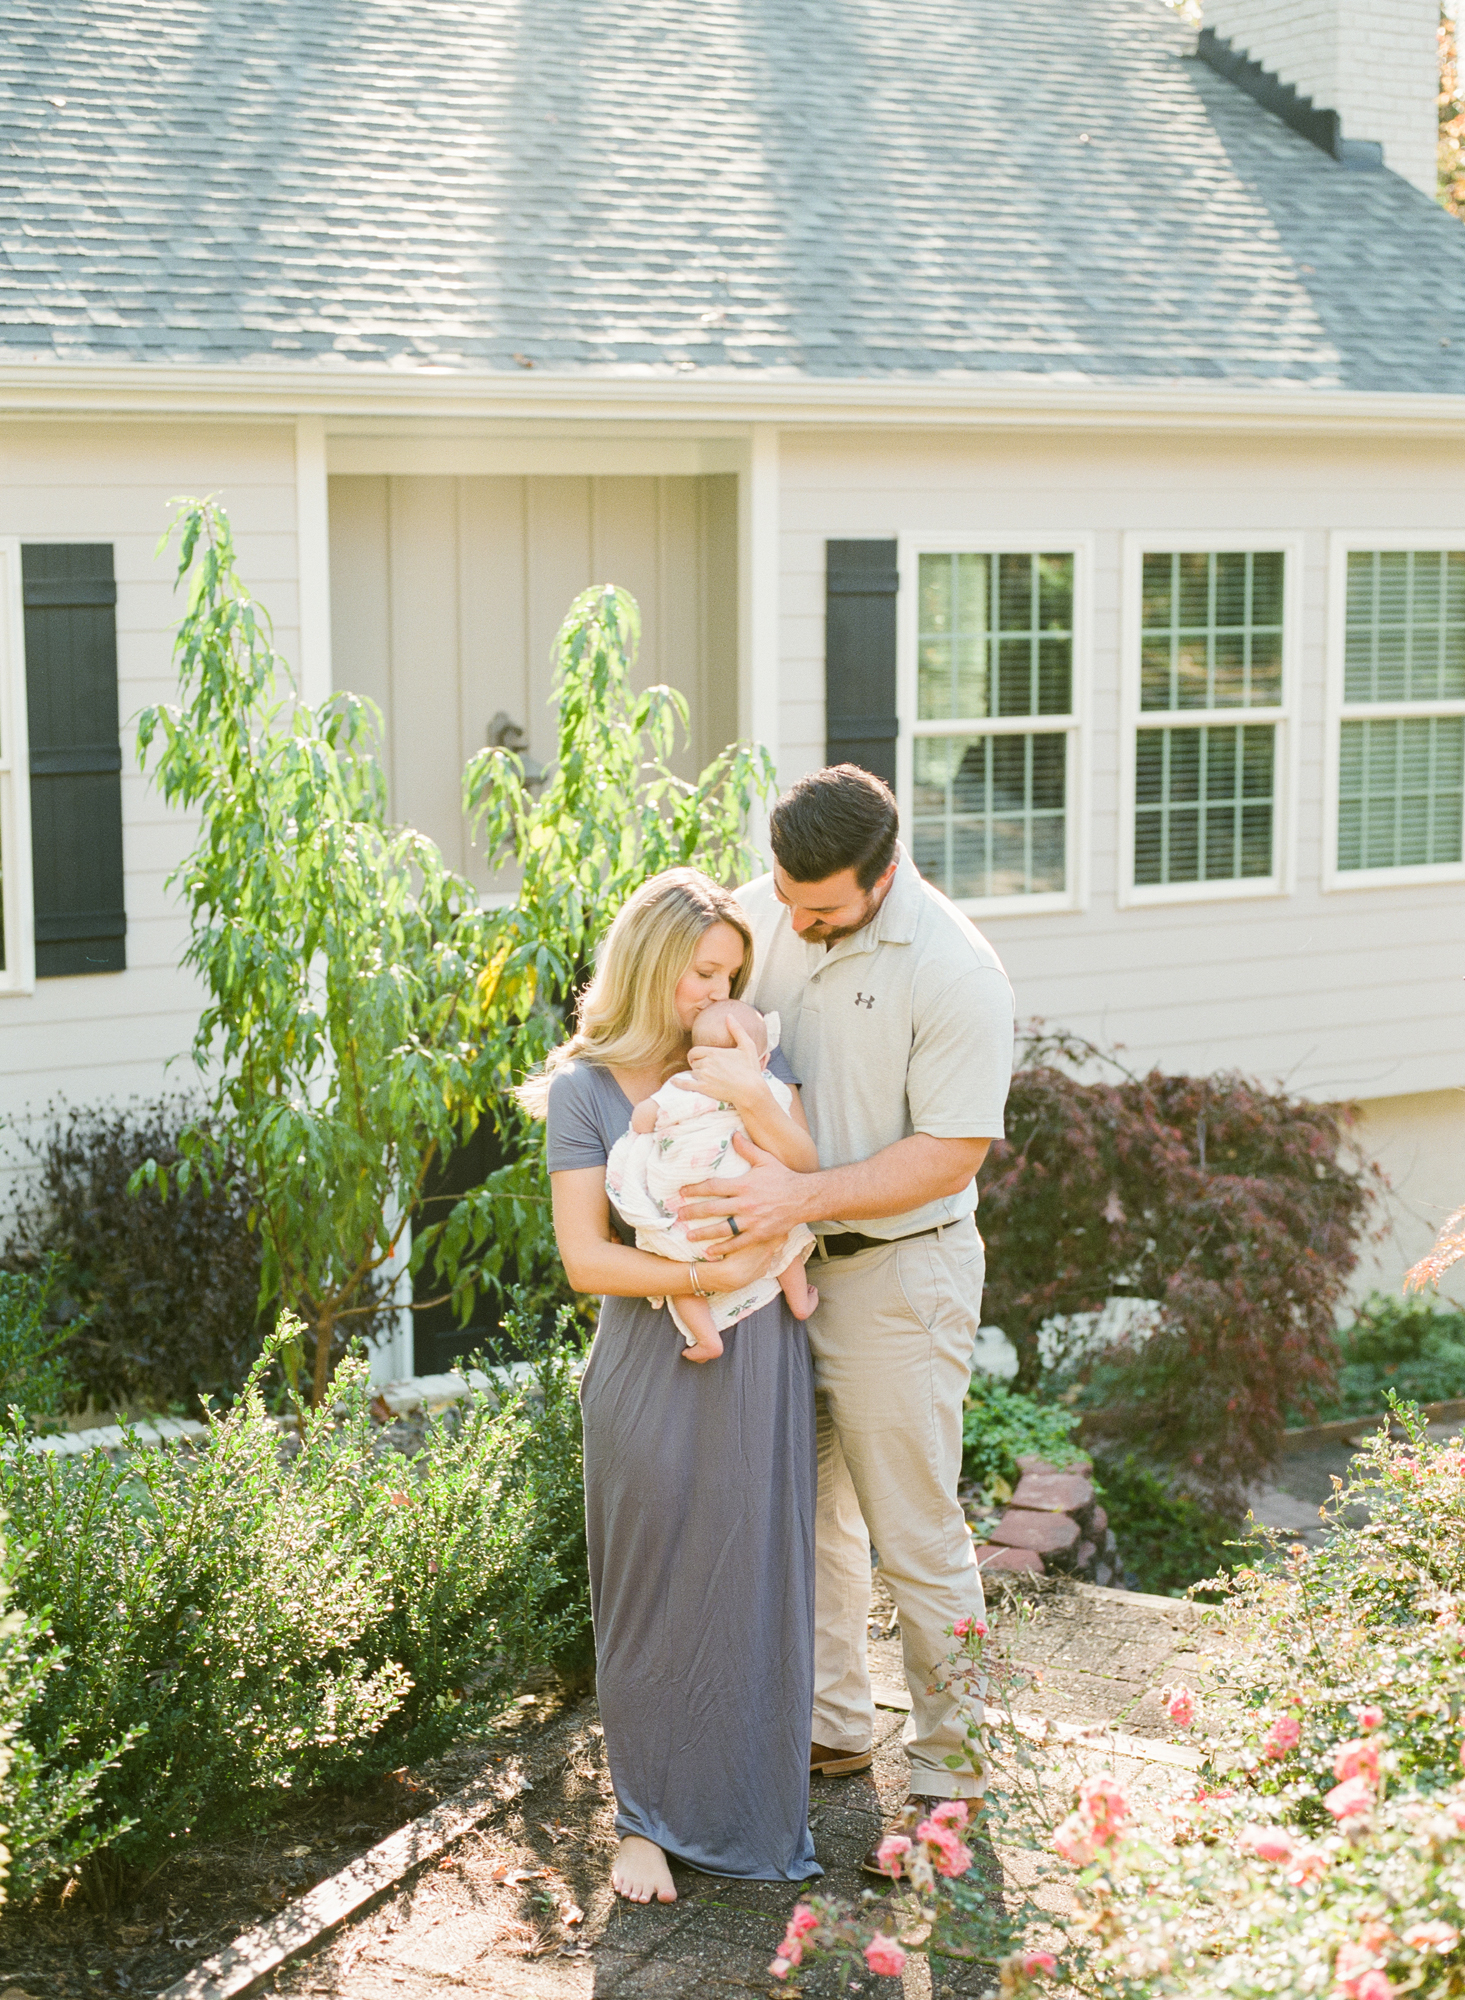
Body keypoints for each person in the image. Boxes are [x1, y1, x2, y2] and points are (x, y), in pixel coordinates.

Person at [677, 765, 1015, 1865]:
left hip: (898, 1272)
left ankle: (951, 1765)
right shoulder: (768, 906)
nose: (797, 921)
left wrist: (799, 1197)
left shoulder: (956, 969)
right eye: (785, 895)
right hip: (771, 1267)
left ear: (884, 872)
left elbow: (948, 1153)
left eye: (820, 907)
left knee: (914, 1528)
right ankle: (830, 1727)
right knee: (806, 1516)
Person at [529, 868, 823, 1905]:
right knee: (650, 1593)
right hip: (651, 1363)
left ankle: (752, 1805)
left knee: (757, 1576)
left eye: (732, 974)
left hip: (762, 1361)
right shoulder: (586, 1090)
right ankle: (642, 1817)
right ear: (654, 961)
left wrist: (753, 1099)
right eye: (703, 970)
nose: (717, 991)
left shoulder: (747, 1061)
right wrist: (712, 1274)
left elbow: (803, 1167)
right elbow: (585, 1259)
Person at [606, 996, 818, 1362]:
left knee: (671, 1266)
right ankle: (800, 1301)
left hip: (691, 1214)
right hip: (754, 1210)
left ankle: (707, 1339)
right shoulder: (771, 1089)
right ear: (763, 1060)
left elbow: (644, 1119)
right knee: (786, 1235)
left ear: (695, 1057)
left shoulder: (685, 1084)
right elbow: (794, 1153)